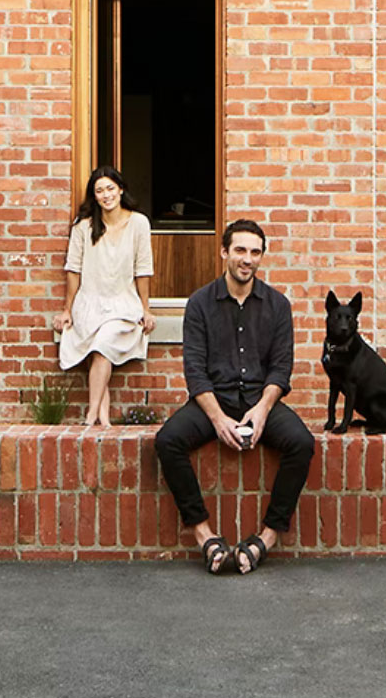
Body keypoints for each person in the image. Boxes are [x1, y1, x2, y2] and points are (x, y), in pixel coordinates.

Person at [154, 219, 313, 575]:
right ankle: (205, 536)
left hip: (260, 400)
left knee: (301, 442)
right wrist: (217, 418)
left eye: (255, 252)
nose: (248, 259)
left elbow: (280, 369)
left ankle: (267, 538)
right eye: (240, 250)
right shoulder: (199, 303)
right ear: (224, 252)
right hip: (214, 399)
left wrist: (261, 410)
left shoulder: (278, 305)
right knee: (168, 441)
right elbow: (194, 371)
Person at [55, 165, 157, 427]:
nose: (106, 195)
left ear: (121, 190)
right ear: (94, 196)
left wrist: (146, 309)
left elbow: (143, 270)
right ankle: (104, 421)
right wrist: (67, 310)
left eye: (110, 188)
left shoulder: (138, 223)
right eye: (99, 190)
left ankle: (90, 416)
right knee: (98, 354)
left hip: (123, 304)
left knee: (102, 348)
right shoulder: (83, 227)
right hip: (89, 303)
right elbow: (73, 270)